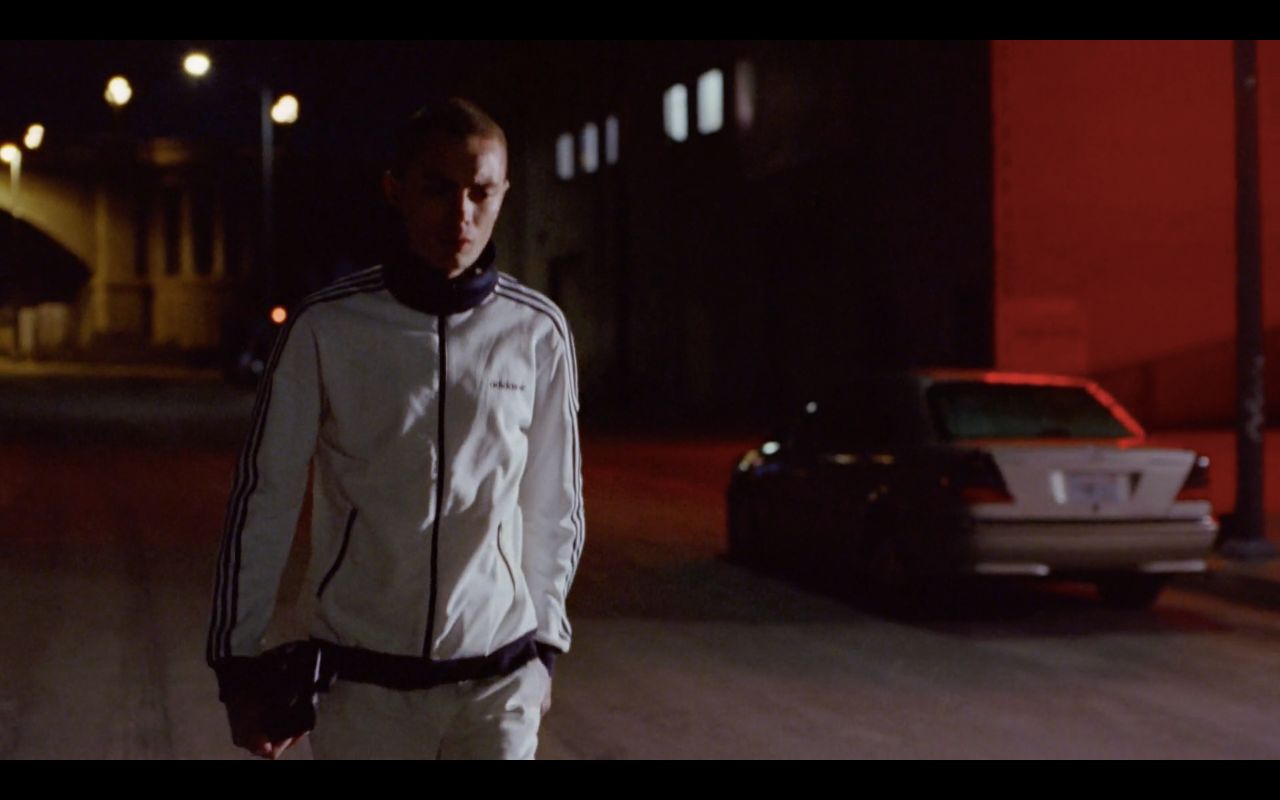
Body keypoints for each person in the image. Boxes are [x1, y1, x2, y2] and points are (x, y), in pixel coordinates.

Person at [206, 98, 583, 760]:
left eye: (480, 192)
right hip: (363, 689)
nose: (461, 214)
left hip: (495, 687)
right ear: (394, 188)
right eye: (439, 189)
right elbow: (264, 498)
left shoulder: (536, 331)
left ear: (502, 195)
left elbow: (555, 501)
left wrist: (545, 646)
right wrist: (237, 664)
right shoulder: (328, 328)